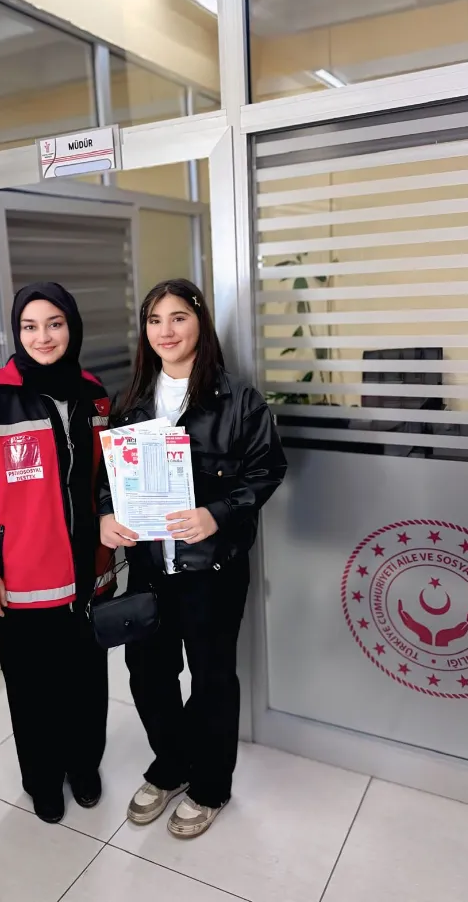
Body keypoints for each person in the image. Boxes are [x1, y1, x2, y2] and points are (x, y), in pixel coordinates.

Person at [99, 278, 287, 839]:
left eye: (178, 317)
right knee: (148, 674)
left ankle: (210, 784)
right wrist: (106, 515)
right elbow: (110, 479)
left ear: (200, 323)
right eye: (154, 320)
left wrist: (218, 513)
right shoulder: (130, 402)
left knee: (210, 679)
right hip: (150, 568)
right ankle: (173, 763)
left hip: (212, 569)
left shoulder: (239, 400)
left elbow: (268, 469)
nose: (166, 331)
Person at [0, 281, 115, 824]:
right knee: (33, 689)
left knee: (88, 682)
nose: (42, 337)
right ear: (16, 332)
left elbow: (105, 480)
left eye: (54, 324)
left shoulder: (94, 393)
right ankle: (43, 780)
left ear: (72, 328)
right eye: (30, 326)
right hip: (22, 578)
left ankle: (84, 766)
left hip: (90, 573)